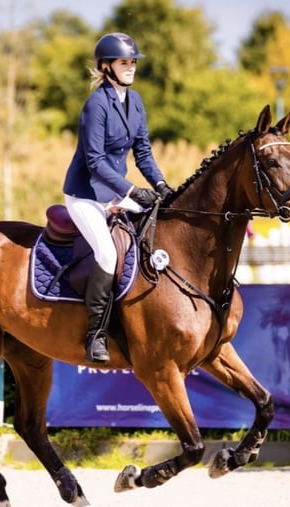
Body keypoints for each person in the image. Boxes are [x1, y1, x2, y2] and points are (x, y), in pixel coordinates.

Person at [63, 32, 175, 364]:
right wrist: (129, 190)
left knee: (154, 227)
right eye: (124, 62)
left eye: (133, 62)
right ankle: (96, 334)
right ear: (105, 66)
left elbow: (142, 152)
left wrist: (161, 185)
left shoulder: (135, 101)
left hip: (114, 191)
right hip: (85, 195)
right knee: (109, 254)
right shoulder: (96, 105)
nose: (131, 68)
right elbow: (95, 162)